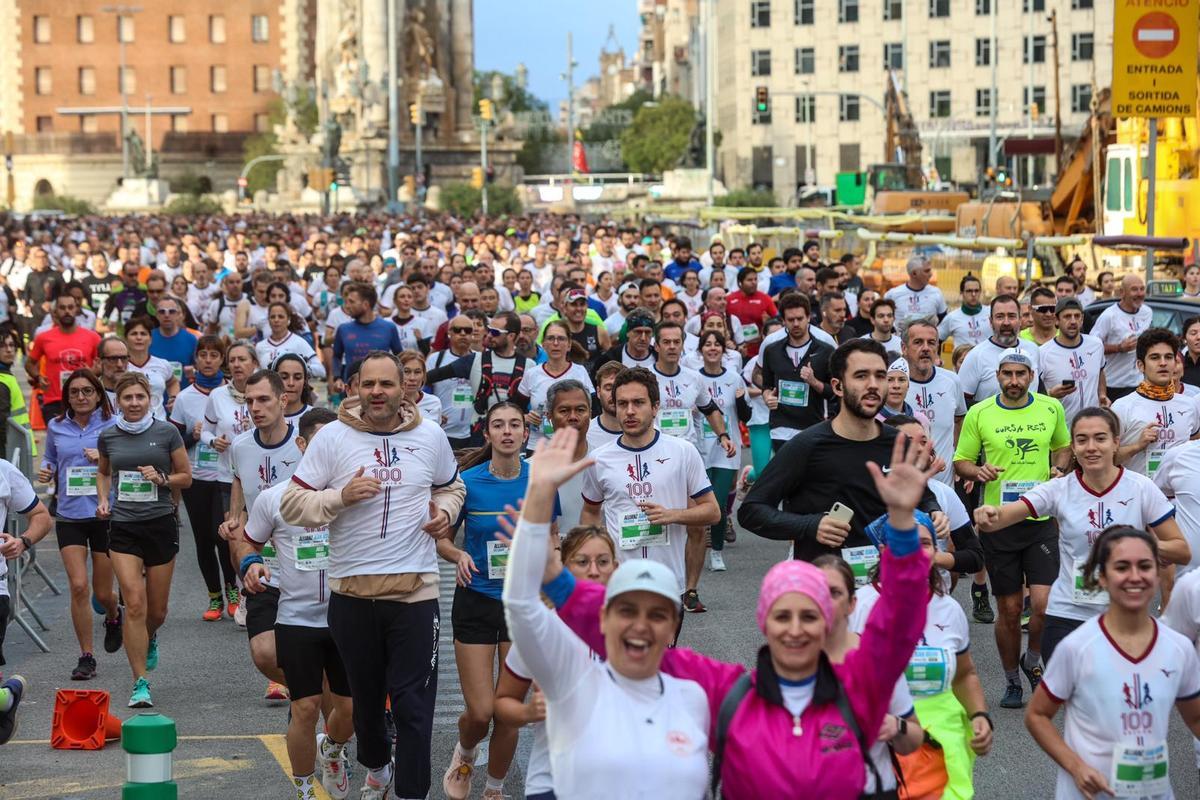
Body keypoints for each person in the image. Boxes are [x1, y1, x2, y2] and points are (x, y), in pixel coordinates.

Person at [539, 425, 940, 797]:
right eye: (783, 616)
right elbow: (626, 635)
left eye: (809, 616)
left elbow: (900, 620)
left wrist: (902, 523)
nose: (795, 629)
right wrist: (556, 578)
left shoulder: (860, 685)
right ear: (763, 622)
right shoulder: (727, 693)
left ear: (829, 621)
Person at [281, 351, 464, 800]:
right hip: (352, 596)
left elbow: (452, 486)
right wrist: (339, 498)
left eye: (387, 384)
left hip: (415, 593)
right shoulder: (333, 439)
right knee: (365, 707)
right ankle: (377, 767)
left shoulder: (431, 435)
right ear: (355, 388)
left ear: (405, 387)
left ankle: (410, 793)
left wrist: (445, 512)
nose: (378, 392)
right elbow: (291, 504)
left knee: (412, 706)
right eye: (369, 384)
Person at [975, 407, 1190, 665]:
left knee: (1112, 699)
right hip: (1067, 615)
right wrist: (988, 516)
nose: (1091, 447)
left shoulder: (1141, 488)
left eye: (1100, 438)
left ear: (1115, 443)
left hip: (1123, 616)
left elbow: (1181, 551)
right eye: (1082, 440)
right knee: (1074, 701)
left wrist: (1142, 547)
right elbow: (1003, 516)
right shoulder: (1059, 489)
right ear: (1073, 447)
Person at [1025, 526, 1200, 800]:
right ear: (1102, 577)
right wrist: (1076, 767)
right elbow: (1037, 715)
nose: (1134, 577)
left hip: (1154, 792)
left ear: (1157, 574)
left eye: (1145, 566)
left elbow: (1196, 718)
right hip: (1088, 794)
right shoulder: (1077, 648)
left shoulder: (1178, 648)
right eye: (1121, 567)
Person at [739, 338, 943, 563]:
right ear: (837, 386)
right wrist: (809, 525)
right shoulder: (807, 445)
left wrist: (934, 511)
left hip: (885, 581)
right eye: (861, 376)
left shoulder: (899, 444)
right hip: (826, 585)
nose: (873, 384)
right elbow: (752, 511)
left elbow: (923, 497)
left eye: (880, 376)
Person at [242, 407, 353, 800]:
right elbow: (248, 539)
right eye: (319, 442)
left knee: (350, 711)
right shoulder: (275, 497)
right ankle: (305, 789)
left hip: (347, 615)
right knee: (305, 708)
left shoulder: (352, 495)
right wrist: (250, 563)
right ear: (303, 444)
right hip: (296, 618)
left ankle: (334, 749)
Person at [953, 348, 1072, 710]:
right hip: (999, 522)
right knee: (1007, 609)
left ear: (1031, 376)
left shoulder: (1051, 408)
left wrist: (1058, 469)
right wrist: (978, 471)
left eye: (1021, 374)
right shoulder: (980, 412)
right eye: (1007, 374)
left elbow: (1063, 447)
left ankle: (1032, 660)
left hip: (1039, 520)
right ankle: (1011, 680)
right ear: (998, 376)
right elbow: (961, 462)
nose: (1014, 381)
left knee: (1043, 603)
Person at [849, 525, 993, 800]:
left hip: (944, 744)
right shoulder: (860, 606)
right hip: (886, 739)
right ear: (883, 551)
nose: (915, 551)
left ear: (936, 552)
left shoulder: (949, 608)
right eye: (902, 543)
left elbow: (965, 674)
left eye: (925, 543)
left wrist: (980, 716)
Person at [438, 403, 534, 800]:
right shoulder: (468, 481)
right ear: (488, 434)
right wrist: (458, 554)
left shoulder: (539, 480)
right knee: (480, 712)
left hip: (522, 605)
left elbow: (555, 537)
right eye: (499, 425)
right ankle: (465, 751)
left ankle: (494, 789)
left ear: (525, 434)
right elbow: (442, 538)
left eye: (514, 425)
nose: (508, 432)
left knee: (508, 709)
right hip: (476, 598)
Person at [579, 366, 720, 620]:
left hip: (667, 584)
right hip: (618, 584)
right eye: (622, 404)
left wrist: (672, 515)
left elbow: (712, 511)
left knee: (660, 658)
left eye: (638, 403)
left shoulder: (683, 451)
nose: (630, 411)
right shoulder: (599, 459)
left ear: (655, 407)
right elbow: (590, 512)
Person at [493, 523, 617, 800]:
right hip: (554, 783)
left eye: (603, 562)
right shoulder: (540, 630)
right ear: (562, 567)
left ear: (616, 567)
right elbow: (503, 704)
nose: (594, 570)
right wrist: (528, 713)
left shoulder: (636, 628)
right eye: (583, 562)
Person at [97, 372, 192, 708]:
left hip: (160, 524)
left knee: (158, 611)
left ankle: (150, 636)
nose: (134, 403)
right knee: (133, 604)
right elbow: (104, 472)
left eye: (140, 397)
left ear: (149, 399)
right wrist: (103, 498)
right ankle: (140, 683)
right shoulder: (108, 435)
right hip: (123, 527)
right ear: (117, 402)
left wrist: (162, 478)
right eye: (127, 398)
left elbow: (187, 477)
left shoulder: (166, 433)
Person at [39, 369, 122, 679]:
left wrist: (103, 457)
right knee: (77, 586)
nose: (81, 397)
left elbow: (124, 462)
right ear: (67, 397)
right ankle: (86, 656)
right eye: (75, 392)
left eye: (88, 391)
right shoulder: (56, 426)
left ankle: (113, 617)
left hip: (104, 514)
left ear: (99, 394)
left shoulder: (112, 425)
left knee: (103, 594)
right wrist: (47, 472)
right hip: (70, 515)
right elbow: (50, 459)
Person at [169, 335, 239, 621]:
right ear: (195, 360)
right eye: (203, 355)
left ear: (222, 360)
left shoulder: (232, 393)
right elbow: (173, 444)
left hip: (227, 477)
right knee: (203, 539)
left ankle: (233, 590)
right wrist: (194, 436)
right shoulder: (185, 398)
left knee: (223, 535)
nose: (208, 360)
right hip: (196, 477)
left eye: (214, 355)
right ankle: (214, 597)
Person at [200, 341, 259, 622]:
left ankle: (261, 587)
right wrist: (214, 441)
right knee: (234, 536)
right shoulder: (217, 395)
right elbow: (204, 431)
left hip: (260, 477)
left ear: (254, 363)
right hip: (227, 477)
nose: (236, 364)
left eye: (242, 359)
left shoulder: (264, 391)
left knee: (260, 536)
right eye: (232, 360)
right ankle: (243, 589)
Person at [694, 329, 750, 571]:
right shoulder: (693, 378)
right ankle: (690, 551)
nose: (713, 348)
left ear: (723, 350)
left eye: (717, 344)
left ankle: (716, 551)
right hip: (699, 448)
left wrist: (739, 400)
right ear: (701, 350)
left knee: (716, 502)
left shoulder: (734, 378)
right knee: (696, 505)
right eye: (708, 344)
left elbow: (746, 416)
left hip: (727, 449)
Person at [1111, 328, 1198, 481]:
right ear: (1140, 365)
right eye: (1155, 357)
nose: (1163, 363)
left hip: (1178, 498)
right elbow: (1107, 459)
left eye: (1169, 357)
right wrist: (1136, 446)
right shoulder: (1122, 406)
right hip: (1139, 498)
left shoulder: (1189, 405)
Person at [757, 293, 835, 451]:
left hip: (813, 426)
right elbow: (766, 384)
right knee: (787, 475)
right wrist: (767, 396)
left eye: (800, 318)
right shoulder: (772, 350)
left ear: (808, 317)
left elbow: (834, 392)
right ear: (783, 321)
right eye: (791, 320)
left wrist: (814, 382)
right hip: (781, 428)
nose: (796, 324)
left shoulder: (825, 350)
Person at [511, 320, 593, 453]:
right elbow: (516, 410)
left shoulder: (580, 372)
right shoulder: (532, 373)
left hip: (573, 447)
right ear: (543, 344)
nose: (555, 343)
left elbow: (593, 410)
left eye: (561, 339)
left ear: (569, 344)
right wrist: (525, 418)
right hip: (538, 447)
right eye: (550, 338)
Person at [902, 317, 966, 484]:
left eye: (931, 343)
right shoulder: (894, 384)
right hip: (904, 489)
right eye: (918, 342)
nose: (925, 348)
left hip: (944, 488)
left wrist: (958, 458)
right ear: (904, 348)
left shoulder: (952, 381)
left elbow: (959, 420)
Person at [27, 293, 102, 419]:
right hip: (55, 400)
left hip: (84, 399)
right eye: (62, 308)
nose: (67, 311)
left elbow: (103, 365)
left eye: (70, 307)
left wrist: (95, 373)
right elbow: (29, 363)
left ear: (76, 310)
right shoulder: (44, 338)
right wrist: (38, 377)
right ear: (55, 312)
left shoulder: (93, 337)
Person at [957, 295, 1041, 403]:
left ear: (1020, 319)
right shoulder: (976, 356)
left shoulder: (1033, 349)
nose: (1006, 322)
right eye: (1000, 317)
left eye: (1011, 316)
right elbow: (961, 402)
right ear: (990, 321)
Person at [1038, 297, 1108, 424]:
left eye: (1077, 316)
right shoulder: (1043, 353)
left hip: (1093, 425)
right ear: (1057, 320)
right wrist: (1050, 394)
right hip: (1060, 428)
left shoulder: (1096, 344)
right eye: (1067, 316)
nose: (1073, 321)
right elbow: (1033, 394)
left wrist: (1102, 395)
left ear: (1082, 320)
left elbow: (1100, 371)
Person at [331, 282, 403, 394]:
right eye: (346, 301)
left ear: (365, 304)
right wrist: (337, 378)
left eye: (351, 302)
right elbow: (336, 356)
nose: (347, 306)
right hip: (352, 391)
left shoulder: (388, 328)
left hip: (380, 391)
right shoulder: (343, 329)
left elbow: (399, 356)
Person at [1089, 274, 1152, 401]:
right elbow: (1091, 348)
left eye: (1142, 289)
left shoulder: (1147, 312)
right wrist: (1119, 347)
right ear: (1122, 292)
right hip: (1114, 384)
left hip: (1139, 382)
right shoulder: (1109, 316)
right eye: (1134, 289)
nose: (1139, 293)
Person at [125, 316, 179, 421]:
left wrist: (173, 398)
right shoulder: (119, 366)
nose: (139, 338)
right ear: (126, 339)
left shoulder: (163, 364)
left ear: (150, 339)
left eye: (143, 334)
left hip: (159, 424)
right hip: (128, 425)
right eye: (134, 333)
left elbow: (172, 382)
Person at [256, 302, 326, 379]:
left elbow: (321, 371)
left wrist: (298, 369)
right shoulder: (260, 346)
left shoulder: (299, 342)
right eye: (272, 317)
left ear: (288, 320)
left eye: (281, 316)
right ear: (268, 320)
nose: (276, 320)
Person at [148, 296, 198, 389]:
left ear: (179, 314)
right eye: (162, 312)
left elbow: (199, 368)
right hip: (154, 397)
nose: (167, 315)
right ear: (156, 315)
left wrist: (194, 371)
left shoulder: (191, 339)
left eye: (171, 311)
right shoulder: (147, 338)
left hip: (182, 397)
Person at [885, 256, 947, 326]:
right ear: (914, 274)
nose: (931, 274)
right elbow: (883, 318)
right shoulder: (893, 294)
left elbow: (943, 321)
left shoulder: (936, 293)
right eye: (927, 271)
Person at [939, 275, 992, 347]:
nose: (973, 294)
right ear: (961, 293)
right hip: (963, 358)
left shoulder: (991, 313)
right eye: (969, 291)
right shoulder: (952, 317)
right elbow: (937, 339)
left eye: (976, 291)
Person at [273, 353, 315, 425]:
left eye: (297, 377)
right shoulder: (262, 416)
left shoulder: (316, 419)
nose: (291, 383)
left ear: (305, 381)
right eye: (284, 377)